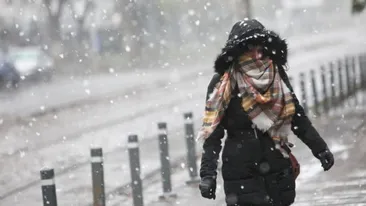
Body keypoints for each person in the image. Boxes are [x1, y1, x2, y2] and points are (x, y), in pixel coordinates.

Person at [197, 19, 334, 206]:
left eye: (260, 47)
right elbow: (213, 135)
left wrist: (320, 149)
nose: (256, 53)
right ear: (237, 51)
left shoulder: (276, 75)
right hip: (241, 176)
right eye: (249, 48)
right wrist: (207, 175)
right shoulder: (222, 84)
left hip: (277, 171)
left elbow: (296, 116)